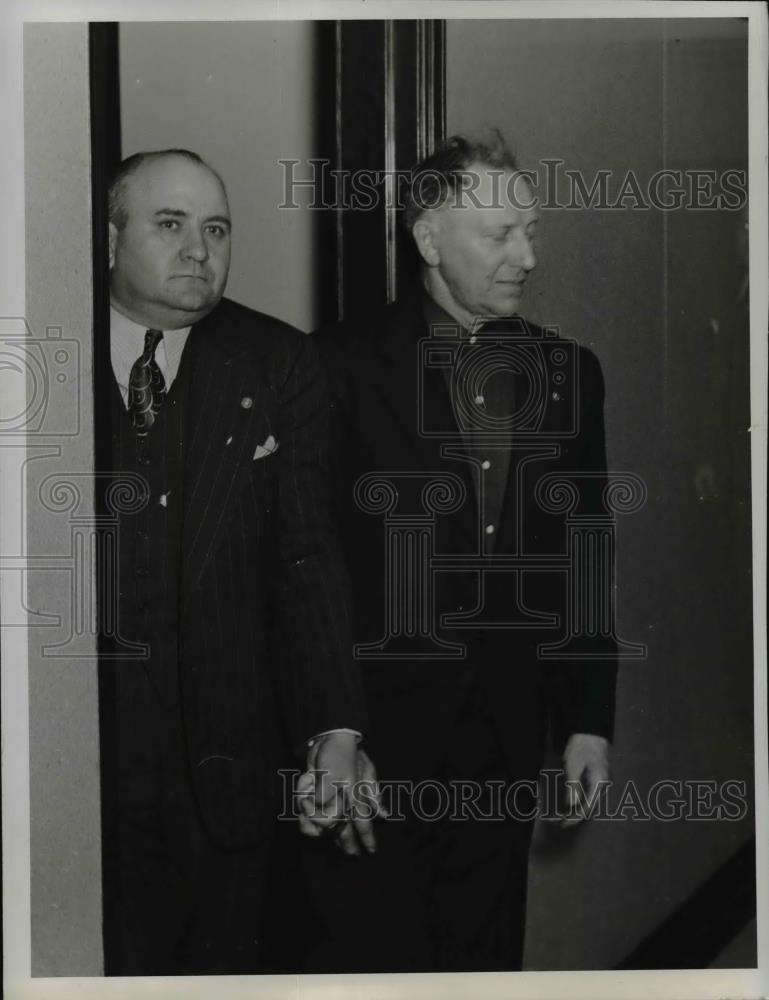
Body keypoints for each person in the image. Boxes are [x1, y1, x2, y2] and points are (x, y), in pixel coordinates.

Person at [303, 132, 618, 972]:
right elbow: (309, 567)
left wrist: (588, 719)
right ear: (429, 239)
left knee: (483, 960)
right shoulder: (335, 366)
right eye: (501, 234)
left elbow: (585, 552)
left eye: (531, 230)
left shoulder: (569, 373)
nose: (527, 255)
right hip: (374, 742)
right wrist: (328, 728)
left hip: (506, 735)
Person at [101, 148, 371, 975]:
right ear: (109, 241)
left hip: (226, 779)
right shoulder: (37, 350)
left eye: (215, 228)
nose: (198, 249)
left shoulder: (278, 362)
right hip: (79, 777)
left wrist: (334, 729)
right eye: (170, 224)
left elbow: (308, 557)